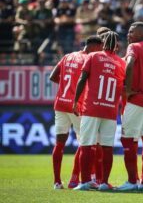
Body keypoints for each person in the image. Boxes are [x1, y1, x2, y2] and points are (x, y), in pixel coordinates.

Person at [73, 32, 126, 191]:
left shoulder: (93, 56)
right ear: (116, 46)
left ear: (103, 44)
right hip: (110, 110)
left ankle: (85, 181)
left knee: (86, 145)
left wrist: (75, 101)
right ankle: (104, 182)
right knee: (107, 147)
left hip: (92, 107)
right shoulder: (121, 63)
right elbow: (124, 86)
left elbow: (83, 79)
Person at [49, 35, 102, 190]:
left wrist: (67, 83)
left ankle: (57, 182)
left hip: (60, 104)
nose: (100, 51)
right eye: (100, 47)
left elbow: (53, 76)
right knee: (86, 143)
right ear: (93, 46)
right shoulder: (89, 59)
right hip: (77, 106)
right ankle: (78, 179)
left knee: (59, 144)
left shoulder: (67, 56)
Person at [117, 22, 143, 191]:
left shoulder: (134, 47)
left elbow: (129, 64)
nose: (128, 35)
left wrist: (127, 89)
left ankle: (132, 181)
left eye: (131, 32)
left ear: (141, 33)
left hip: (138, 99)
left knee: (127, 139)